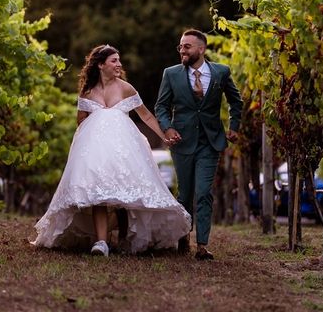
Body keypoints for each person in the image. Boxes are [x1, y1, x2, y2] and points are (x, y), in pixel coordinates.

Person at [32, 44, 191, 257]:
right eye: (114, 61)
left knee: (123, 194)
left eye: (119, 60)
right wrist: (84, 148)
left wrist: (164, 136)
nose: (119, 64)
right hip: (96, 149)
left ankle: (125, 237)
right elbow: (81, 121)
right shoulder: (87, 92)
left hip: (123, 147)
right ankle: (101, 242)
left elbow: (146, 116)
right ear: (100, 65)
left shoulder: (126, 88)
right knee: (99, 193)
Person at [155, 29, 243, 260]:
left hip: (210, 141)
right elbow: (161, 107)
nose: (182, 50)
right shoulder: (171, 74)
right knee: (185, 193)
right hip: (182, 141)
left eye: (187, 46)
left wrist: (234, 126)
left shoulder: (221, 72)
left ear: (201, 49)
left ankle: (202, 245)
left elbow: (236, 101)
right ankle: (183, 236)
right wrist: (168, 127)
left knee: (203, 193)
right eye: (180, 46)